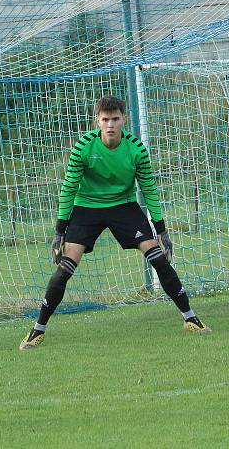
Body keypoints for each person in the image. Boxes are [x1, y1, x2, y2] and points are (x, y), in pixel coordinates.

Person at [20, 95, 210, 350]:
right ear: (97, 121)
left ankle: (190, 319)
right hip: (86, 207)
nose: (110, 124)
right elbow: (68, 189)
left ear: (123, 120)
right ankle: (38, 330)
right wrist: (59, 231)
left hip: (123, 206)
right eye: (105, 119)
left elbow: (149, 188)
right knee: (65, 268)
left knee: (158, 259)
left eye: (115, 119)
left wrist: (161, 230)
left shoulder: (136, 148)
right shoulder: (83, 147)